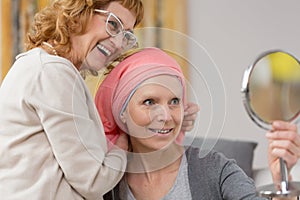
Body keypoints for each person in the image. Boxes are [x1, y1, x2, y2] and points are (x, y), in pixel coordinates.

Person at [94, 47, 300, 200]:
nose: (166, 116)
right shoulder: (106, 181)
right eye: (150, 102)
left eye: (174, 102)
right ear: (121, 112)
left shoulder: (216, 169)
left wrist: (282, 180)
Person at [0, 0, 144, 199]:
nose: (119, 43)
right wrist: (122, 146)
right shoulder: (54, 73)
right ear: (79, 14)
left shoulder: (38, 66)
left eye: (126, 36)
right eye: (113, 25)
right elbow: (92, 179)